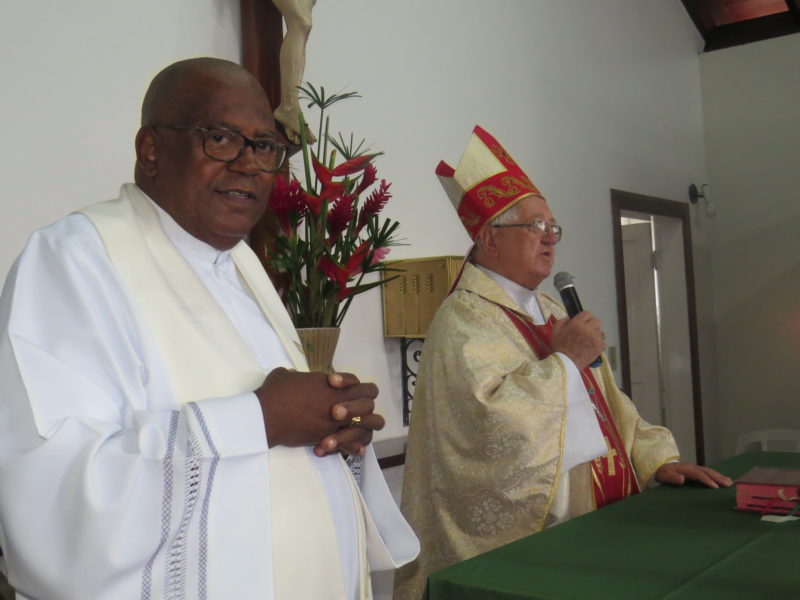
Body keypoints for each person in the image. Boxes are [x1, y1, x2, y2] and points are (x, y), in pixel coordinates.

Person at [0, 57, 418, 600]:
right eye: (220, 138)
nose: (249, 164)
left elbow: (285, 434)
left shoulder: (240, 265)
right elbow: (56, 497)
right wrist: (261, 419)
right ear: (151, 149)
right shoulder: (73, 260)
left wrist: (336, 427)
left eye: (264, 146)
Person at [393, 126, 730, 600]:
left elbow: (608, 402)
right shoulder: (463, 319)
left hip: (597, 513)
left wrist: (655, 461)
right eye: (536, 227)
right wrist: (566, 359)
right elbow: (489, 427)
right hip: (533, 538)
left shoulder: (552, 308)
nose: (551, 239)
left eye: (554, 228)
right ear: (490, 238)